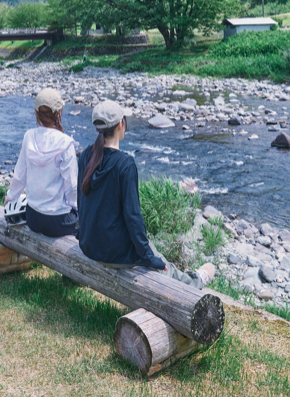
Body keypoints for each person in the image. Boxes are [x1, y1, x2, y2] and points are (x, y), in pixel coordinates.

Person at [76, 100, 214, 288]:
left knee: (153, 253)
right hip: (114, 254)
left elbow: (82, 202)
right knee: (161, 263)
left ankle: (188, 276)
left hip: (89, 246)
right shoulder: (125, 164)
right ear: (120, 124)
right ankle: (195, 282)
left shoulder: (85, 156)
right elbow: (133, 217)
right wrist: (149, 258)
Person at [3, 87, 79, 237]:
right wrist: (77, 208)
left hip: (33, 218)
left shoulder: (29, 136)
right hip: (58, 221)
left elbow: (20, 175)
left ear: (36, 112)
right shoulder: (66, 144)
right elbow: (72, 186)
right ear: (59, 112)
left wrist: (10, 197)